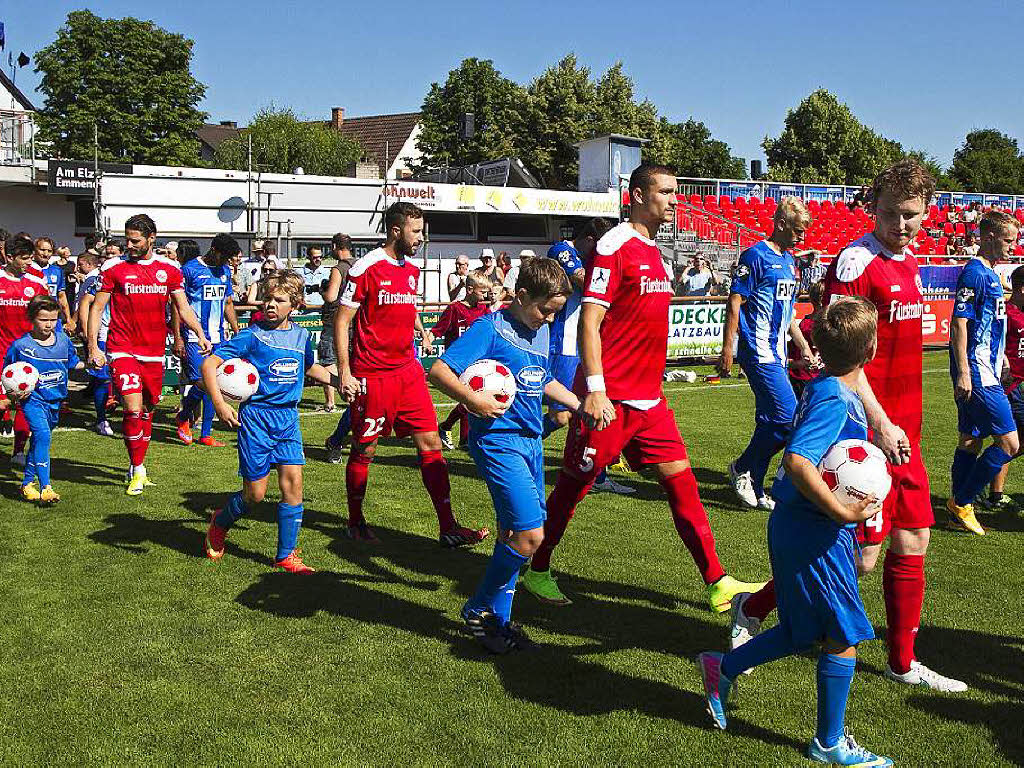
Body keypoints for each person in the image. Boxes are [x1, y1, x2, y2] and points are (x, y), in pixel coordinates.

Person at [732, 160, 967, 693]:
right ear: (874, 207)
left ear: (927, 213)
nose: (900, 225)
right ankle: (756, 605)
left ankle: (903, 663)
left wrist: (898, 423)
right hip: (862, 437)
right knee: (859, 560)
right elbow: (841, 357)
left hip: (904, 431)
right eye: (890, 214)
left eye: (910, 216)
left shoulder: (908, 264)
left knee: (914, 537)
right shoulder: (856, 261)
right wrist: (879, 421)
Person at [519, 164, 763, 610]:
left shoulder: (656, 251)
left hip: (649, 399)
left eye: (675, 192)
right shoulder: (614, 246)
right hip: (608, 398)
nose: (674, 200)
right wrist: (594, 389)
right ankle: (536, 569)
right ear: (636, 195)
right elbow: (590, 322)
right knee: (574, 486)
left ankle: (717, 580)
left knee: (682, 484)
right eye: (666, 192)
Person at [698, 297, 893, 768]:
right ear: (870, 349)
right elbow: (798, 460)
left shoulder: (829, 388)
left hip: (808, 528)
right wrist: (843, 512)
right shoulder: (833, 398)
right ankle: (828, 743)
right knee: (843, 634)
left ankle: (721, 667)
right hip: (812, 531)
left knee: (802, 630)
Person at [429, 258, 580, 653]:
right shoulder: (488, 328)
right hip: (498, 442)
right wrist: (472, 400)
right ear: (522, 295)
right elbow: (441, 371)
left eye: (555, 312)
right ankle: (478, 609)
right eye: (544, 309)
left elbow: (539, 378)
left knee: (510, 535)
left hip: (531, 442)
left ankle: (498, 625)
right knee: (531, 536)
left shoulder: (539, 331)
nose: (548, 319)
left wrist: (579, 404)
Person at [335, 202, 488, 547]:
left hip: (408, 372)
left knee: (432, 443)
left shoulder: (411, 270)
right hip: (372, 375)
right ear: (395, 230)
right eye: (416, 231)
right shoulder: (366, 267)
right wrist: (345, 371)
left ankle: (448, 527)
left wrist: (420, 327)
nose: (421, 238)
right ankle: (355, 521)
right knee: (366, 448)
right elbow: (342, 320)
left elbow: (404, 307)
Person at [203, 271, 336, 573]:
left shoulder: (302, 335)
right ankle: (220, 521)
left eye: (279, 300)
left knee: (293, 486)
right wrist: (221, 404)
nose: (271, 304)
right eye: (268, 298)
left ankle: (285, 555)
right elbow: (210, 364)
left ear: (296, 304)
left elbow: (310, 367)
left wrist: (340, 381)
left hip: (288, 419)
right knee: (256, 495)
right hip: (257, 420)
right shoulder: (252, 335)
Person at [87, 214, 212, 496]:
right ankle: (138, 468)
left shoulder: (169, 269)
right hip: (122, 347)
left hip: (154, 351)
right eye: (127, 240)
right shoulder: (114, 267)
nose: (129, 245)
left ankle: (138, 465)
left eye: (135, 240)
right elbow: (96, 308)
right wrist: (94, 346)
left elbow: (183, 308)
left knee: (147, 409)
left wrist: (200, 334)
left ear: (151, 238)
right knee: (132, 408)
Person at [718, 197, 815, 509]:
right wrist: (727, 349)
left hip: (778, 354)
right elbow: (735, 302)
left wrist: (803, 348)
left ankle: (757, 487)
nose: (802, 238)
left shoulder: (789, 262)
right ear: (782, 224)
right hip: (758, 353)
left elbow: (787, 316)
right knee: (788, 419)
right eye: (798, 231)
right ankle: (742, 467)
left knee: (770, 422)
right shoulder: (755, 256)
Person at [539, 218, 632, 495]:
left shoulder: (593, 260)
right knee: (563, 415)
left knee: (585, 409)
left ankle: (593, 472)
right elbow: (583, 281)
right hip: (563, 345)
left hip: (582, 348)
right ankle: (517, 443)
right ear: (590, 240)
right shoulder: (561, 251)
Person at [947, 211, 1021, 535]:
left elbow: (990, 324)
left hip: (989, 368)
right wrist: (964, 371)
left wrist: (1002, 358)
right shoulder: (975, 274)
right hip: (977, 374)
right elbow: (959, 323)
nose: (1013, 247)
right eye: (1008, 240)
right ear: (989, 237)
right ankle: (962, 501)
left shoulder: (991, 274)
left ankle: (958, 506)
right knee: (1009, 443)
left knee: (970, 439)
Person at [5, 295, 85, 504]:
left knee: (39, 440)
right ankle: (46, 487)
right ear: (32, 318)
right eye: (43, 319)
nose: (49, 324)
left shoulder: (63, 341)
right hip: (33, 401)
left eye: (53, 319)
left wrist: (93, 365)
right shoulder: (21, 346)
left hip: (56, 400)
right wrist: (10, 394)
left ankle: (26, 484)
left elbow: (73, 364)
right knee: (43, 437)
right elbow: (7, 372)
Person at [173, 233, 242, 448]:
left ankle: (205, 434)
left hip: (219, 337)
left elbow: (228, 303)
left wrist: (236, 329)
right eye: (226, 257)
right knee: (203, 381)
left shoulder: (225, 271)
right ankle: (184, 416)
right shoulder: (190, 270)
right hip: (194, 337)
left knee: (216, 382)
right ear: (214, 250)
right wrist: (177, 338)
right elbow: (177, 305)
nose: (229, 262)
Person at [434, 270, 494, 449]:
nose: (485, 295)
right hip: (459, 362)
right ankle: (455, 433)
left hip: (479, 360)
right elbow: (439, 328)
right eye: (482, 291)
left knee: (472, 397)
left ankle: (460, 436)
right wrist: (428, 338)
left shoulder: (484, 309)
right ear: (469, 289)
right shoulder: (455, 309)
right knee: (470, 398)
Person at [0, 239, 48, 450]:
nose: (29, 262)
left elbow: (47, 316)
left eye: (31, 257)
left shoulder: (36, 284)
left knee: (26, 399)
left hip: (27, 352)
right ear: (9, 257)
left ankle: (19, 450)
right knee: (3, 402)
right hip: (1, 349)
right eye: (25, 258)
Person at [984, 264, 1024, 510]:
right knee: (1012, 441)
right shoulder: (1006, 314)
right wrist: (1004, 364)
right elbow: (990, 341)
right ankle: (978, 483)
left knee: (1013, 441)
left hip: (1019, 388)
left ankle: (993, 494)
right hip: (1008, 388)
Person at [321, 234, 358, 458]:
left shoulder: (339, 268)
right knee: (360, 394)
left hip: (340, 326)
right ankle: (338, 439)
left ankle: (331, 404)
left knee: (328, 363)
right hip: (361, 330)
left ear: (335, 247)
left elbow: (332, 297)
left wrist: (322, 291)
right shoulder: (361, 266)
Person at [76, 251, 116, 436]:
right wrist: (86, 331)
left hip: (131, 337)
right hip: (105, 335)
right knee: (102, 377)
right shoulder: (99, 279)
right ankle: (101, 419)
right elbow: (85, 302)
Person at [788, 281, 824, 401]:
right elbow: (790, 361)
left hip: (820, 378)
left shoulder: (830, 325)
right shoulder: (806, 327)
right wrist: (801, 364)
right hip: (804, 380)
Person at [33, 237, 74, 334]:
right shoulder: (28, 270)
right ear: (34, 251)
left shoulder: (57, 270)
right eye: (42, 250)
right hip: (34, 317)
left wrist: (68, 318)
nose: (45, 254)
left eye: (49, 251)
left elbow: (61, 296)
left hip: (53, 317)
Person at [301, 246, 329, 312]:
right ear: (308, 257)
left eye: (320, 257)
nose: (318, 259)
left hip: (323, 312)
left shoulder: (328, 273)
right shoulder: (299, 273)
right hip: (304, 313)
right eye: (315, 257)